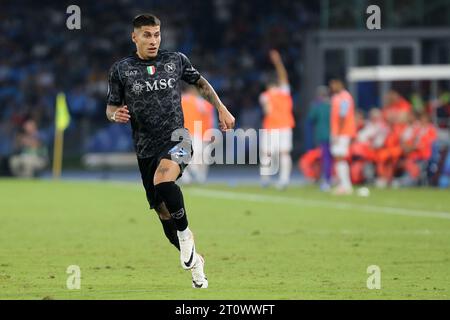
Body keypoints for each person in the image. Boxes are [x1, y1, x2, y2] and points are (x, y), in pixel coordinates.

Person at [105, 14, 235, 289]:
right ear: (135, 37)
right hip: (145, 150)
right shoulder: (121, 70)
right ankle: (196, 264)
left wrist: (221, 108)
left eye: (157, 35)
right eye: (147, 35)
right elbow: (111, 106)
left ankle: (186, 234)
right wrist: (114, 114)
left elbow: (200, 83)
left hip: (178, 139)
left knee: (164, 178)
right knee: (163, 213)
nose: (153, 41)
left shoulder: (175, 60)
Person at [259, 49, 295, 189]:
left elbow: (267, 110)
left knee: (267, 153)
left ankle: (265, 179)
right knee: (284, 153)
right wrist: (278, 62)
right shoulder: (283, 92)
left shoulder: (264, 95)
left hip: (270, 127)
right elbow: (284, 76)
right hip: (285, 125)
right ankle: (284, 180)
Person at [181, 86, 215, 184]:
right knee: (191, 154)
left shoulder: (203, 102)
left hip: (201, 132)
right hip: (190, 131)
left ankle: (199, 176)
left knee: (203, 156)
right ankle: (188, 175)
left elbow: (210, 119)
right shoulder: (187, 99)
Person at [329, 78, 356, 195]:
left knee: (340, 157)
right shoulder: (335, 97)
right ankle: (343, 184)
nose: (332, 87)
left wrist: (337, 133)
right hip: (338, 131)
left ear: (339, 83)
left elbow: (343, 115)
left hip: (343, 132)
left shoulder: (345, 97)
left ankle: (345, 185)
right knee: (338, 157)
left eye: (333, 84)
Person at [306, 86, 332, 191]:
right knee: (331, 158)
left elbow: (311, 118)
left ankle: (326, 179)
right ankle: (329, 178)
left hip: (323, 134)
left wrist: (313, 107)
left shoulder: (318, 105)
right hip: (333, 134)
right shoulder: (332, 104)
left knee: (325, 158)